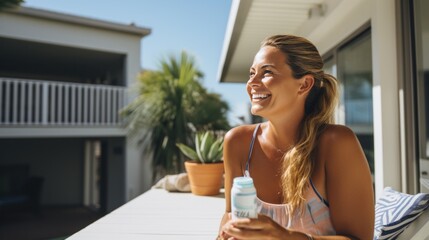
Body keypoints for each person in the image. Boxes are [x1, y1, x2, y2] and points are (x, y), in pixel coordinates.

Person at [218, 34, 374, 240]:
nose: (252, 83)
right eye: (252, 73)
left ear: (304, 84)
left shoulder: (336, 143)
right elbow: (229, 218)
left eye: (267, 72)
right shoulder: (237, 142)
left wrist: (285, 237)